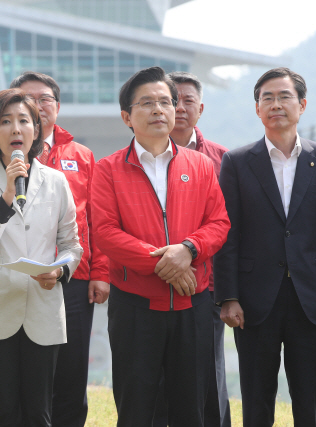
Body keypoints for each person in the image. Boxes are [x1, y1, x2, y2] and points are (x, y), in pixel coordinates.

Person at [90, 66, 230, 427]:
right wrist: (165, 264)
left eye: (166, 102)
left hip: (193, 305)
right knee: (137, 407)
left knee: (192, 408)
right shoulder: (107, 169)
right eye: (147, 103)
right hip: (135, 306)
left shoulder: (200, 165)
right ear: (127, 116)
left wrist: (188, 250)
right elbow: (105, 232)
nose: (159, 110)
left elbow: (219, 223)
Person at [214, 67, 316, 427]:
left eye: (284, 96)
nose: (276, 104)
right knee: (256, 402)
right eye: (267, 97)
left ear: (302, 105)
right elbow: (227, 233)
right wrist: (228, 295)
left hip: (310, 297)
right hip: (253, 301)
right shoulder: (236, 162)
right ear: (256, 109)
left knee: (310, 403)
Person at [0, 88, 83, 427]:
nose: (15, 129)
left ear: (36, 129)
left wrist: (59, 271)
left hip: (41, 304)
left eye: (24, 121)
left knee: (39, 412)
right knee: (3, 409)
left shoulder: (56, 181)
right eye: (5, 122)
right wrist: (7, 197)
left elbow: (72, 246)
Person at [8, 71, 110, 427]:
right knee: (25, 376)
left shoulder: (82, 156)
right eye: (27, 99)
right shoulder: (2, 157)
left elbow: (97, 219)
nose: (36, 106)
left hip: (74, 279)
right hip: (20, 278)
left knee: (70, 374)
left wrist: (100, 274)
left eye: (44, 99)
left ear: (57, 106)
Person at [151, 71, 231, 427]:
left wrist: (190, 258)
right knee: (155, 383)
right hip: (151, 282)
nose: (179, 108)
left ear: (201, 108)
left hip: (207, 289)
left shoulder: (223, 160)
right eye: (172, 100)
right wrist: (170, 263)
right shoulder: (141, 157)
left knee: (207, 379)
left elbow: (225, 224)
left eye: (187, 101)